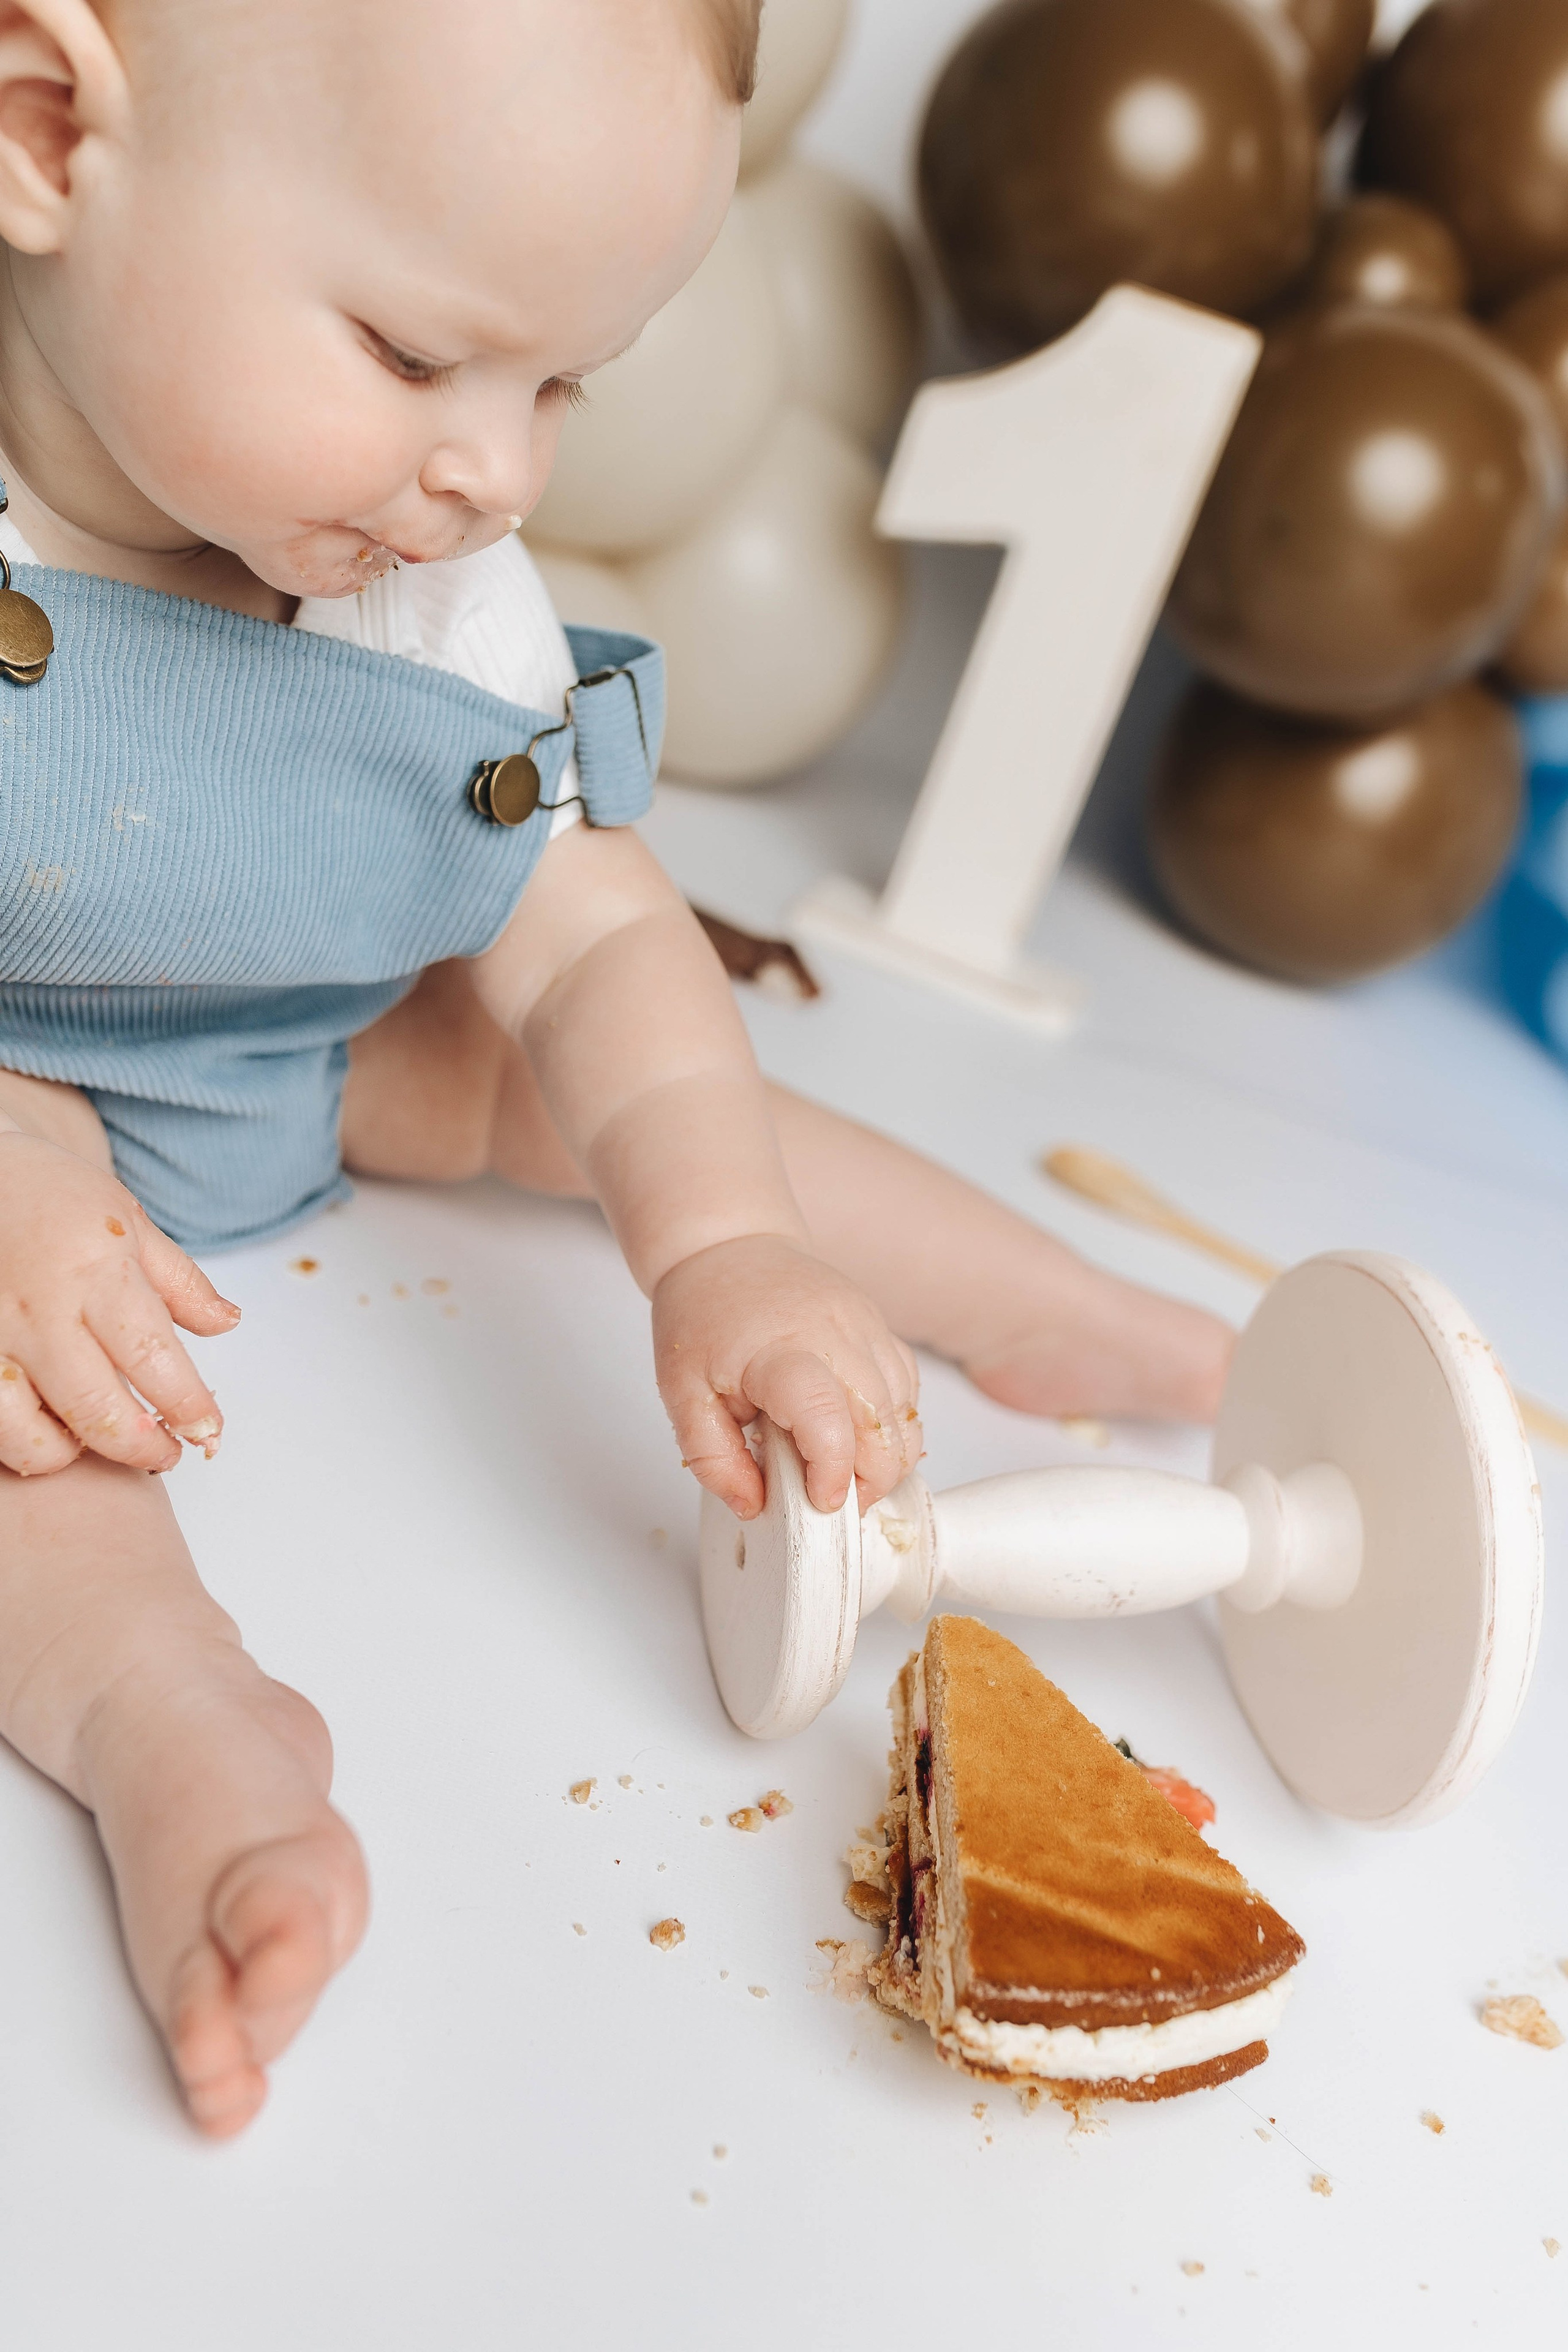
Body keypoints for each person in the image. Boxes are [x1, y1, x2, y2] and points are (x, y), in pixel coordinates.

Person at [0, 0, 1230, 2138]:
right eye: (411, 356)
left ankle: (1058, 1308)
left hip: (333, 1043)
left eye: (563, 380)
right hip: (28, 1105)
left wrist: (723, 1246)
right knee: (35, 1435)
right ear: (42, 137)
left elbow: (601, 944)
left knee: (623, 1089)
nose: (495, 468)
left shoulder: (428, 581)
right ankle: (180, 1734)